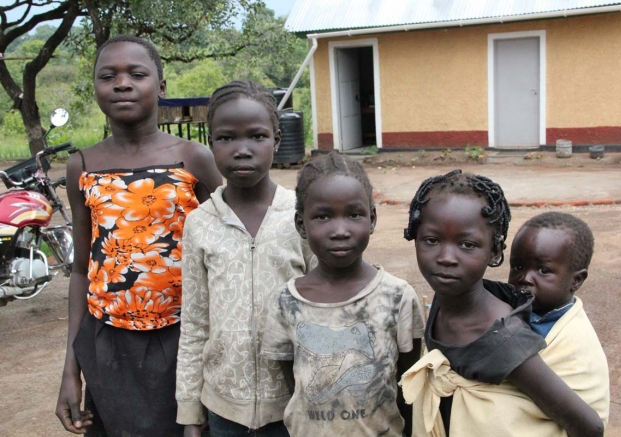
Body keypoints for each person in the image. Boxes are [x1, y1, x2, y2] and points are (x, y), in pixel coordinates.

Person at [54, 35, 222, 436]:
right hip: (108, 345)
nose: (122, 83)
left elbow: (230, 242)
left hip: (186, 336)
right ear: (95, 87)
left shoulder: (194, 158)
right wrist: (70, 369)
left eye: (137, 74)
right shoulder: (82, 166)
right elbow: (82, 270)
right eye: (107, 76)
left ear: (161, 87)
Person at [400, 170, 604, 437]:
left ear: (494, 252)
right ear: (414, 239)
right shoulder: (444, 299)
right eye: (431, 240)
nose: (446, 257)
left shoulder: (501, 335)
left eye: (467, 244)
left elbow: (590, 425)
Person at [175, 80, 315, 437]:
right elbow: (193, 323)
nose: (242, 150)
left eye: (256, 136)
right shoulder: (199, 223)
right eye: (226, 138)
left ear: (277, 141)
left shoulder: (303, 216)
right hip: (223, 407)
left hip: (296, 404)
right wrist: (190, 410)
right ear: (211, 144)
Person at [260, 153, 425, 437]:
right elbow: (293, 380)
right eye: (323, 216)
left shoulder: (397, 297)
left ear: (372, 219)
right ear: (301, 224)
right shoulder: (287, 303)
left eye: (354, 214)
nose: (340, 230)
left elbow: (406, 385)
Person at [508, 211, 610, 423]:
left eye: (543, 270)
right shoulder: (506, 309)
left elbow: (587, 420)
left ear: (576, 280)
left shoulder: (576, 341)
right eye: (518, 267)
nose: (525, 278)